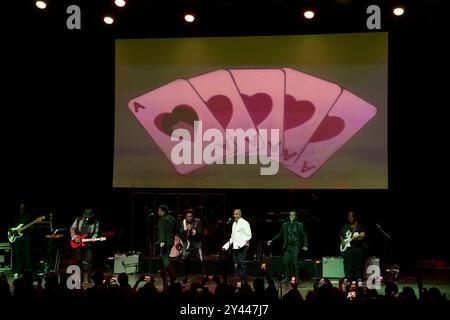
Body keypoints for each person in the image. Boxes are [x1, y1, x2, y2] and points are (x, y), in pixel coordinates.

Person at [267, 211, 308, 284]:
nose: (291, 216)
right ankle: (287, 278)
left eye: (293, 215)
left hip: (296, 245)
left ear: (296, 216)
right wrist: (272, 240)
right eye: (290, 215)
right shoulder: (285, 225)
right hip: (288, 246)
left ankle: (297, 279)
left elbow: (304, 235)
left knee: (294, 261)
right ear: (289, 217)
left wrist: (305, 245)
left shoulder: (300, 225)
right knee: (286, 262)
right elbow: (279, 234)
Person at [70, 208, 99, 283]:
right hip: (77, 243)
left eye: (88, 217)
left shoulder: (95, 222)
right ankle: (79, 278)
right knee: (79, 261)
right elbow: (72, 228)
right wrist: (74, 237)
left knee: (90, 261)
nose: (87, 218)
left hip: (87, 243)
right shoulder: (78, 219)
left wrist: (93, 238)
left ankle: (90, 278)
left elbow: (95, 233)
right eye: (86, 217)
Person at [222, 209, 252, 282]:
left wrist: (240, 245)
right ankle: (237, 277)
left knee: (241, 262)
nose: (234, 216)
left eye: (236, 214)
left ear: (240, 214)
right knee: (235, 262)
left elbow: (249, 235)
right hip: (235, 246)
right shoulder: (233, 224)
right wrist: (226, 246)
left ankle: (243, 279)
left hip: (243, 246)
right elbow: (233, 237)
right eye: (234, 214)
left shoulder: (245, 223)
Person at [178, 209, 207, 283]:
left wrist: (193, 231)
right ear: (186, 216)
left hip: (196, 244)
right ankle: (184, 277)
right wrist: (186, 230)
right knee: (182, 260)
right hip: (187, 245)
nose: (189, 218)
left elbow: (201, 234)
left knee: (201, 260)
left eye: (191, 216)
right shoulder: (183, 222)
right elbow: (180, 232)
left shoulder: (198, 221)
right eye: (188, 216)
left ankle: (204, 276)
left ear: (193, 217)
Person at [339, 211, 367, 282]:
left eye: (352, 217)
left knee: (359, 265)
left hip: (358, 249)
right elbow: (341, 235)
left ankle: (359, 278)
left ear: (354, 217)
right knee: (348, 266)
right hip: (348, 250)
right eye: (349, 217)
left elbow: (362, 235)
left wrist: (358, 238)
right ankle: (348, 279)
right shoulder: (345, 226)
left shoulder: (359, 225)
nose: (350, 218)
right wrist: (343, 242)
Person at [10, 203, 32, 276]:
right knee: (18, 254)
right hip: (17, 237)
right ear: (18, 207)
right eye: (20, 206)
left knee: (27, 254)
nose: (22, 207)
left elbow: (31, 227)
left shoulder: (28, 216)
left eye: (23, 206)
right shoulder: (14, 216)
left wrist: (28, 227)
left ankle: (29, 270)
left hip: (26, 237)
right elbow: (10, 226)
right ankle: (19, 270)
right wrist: (11, 231)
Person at [157, 204, 176, 279]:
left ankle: (170, 274)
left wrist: (161, 243)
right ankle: (168, 272)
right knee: (166, 256)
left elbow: (162, 232)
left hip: (164, 242)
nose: (158, 212)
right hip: (171, 241)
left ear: (163, 211)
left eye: (159, 211)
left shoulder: (163, 219)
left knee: (164, 257)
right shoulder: (172, 219)